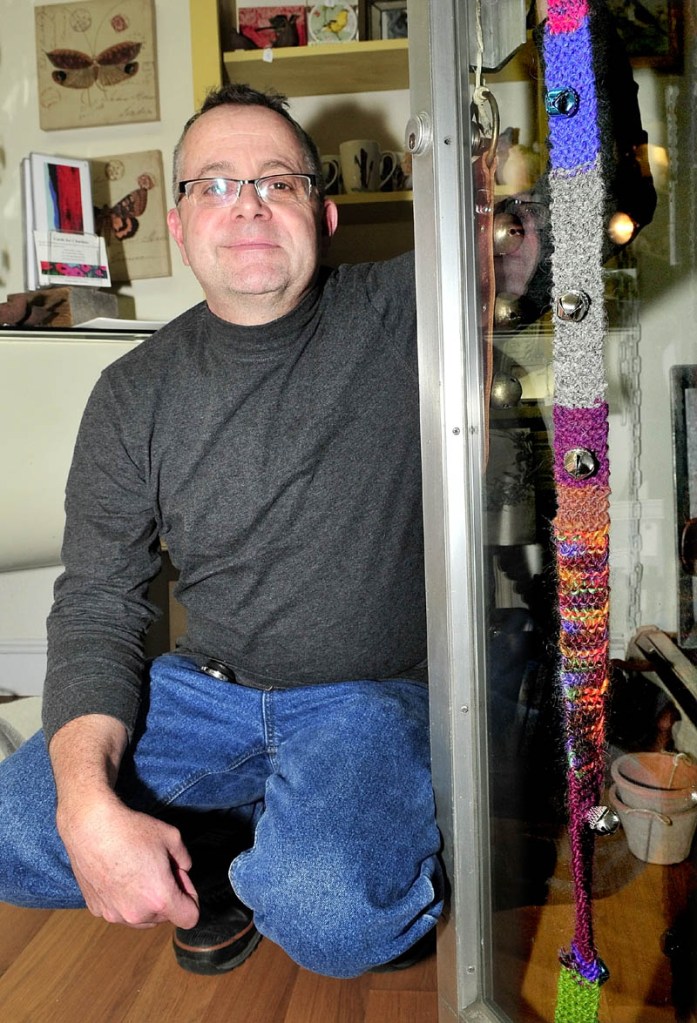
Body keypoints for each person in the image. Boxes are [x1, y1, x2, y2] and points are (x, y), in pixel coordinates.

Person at [0, 83, 444, 979]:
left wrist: (507, 214)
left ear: (320, 214)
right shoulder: (133, 391)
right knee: (18, 834)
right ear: (179, 220)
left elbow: (542, 244)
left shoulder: (405, 308)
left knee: (333, 920)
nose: (245, 201)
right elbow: (96, 604)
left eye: (275, 181)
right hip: (207, 694)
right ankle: (228, 858)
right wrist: (86, 805)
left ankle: (278, 854)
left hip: (366, 697)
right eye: (214, 184)